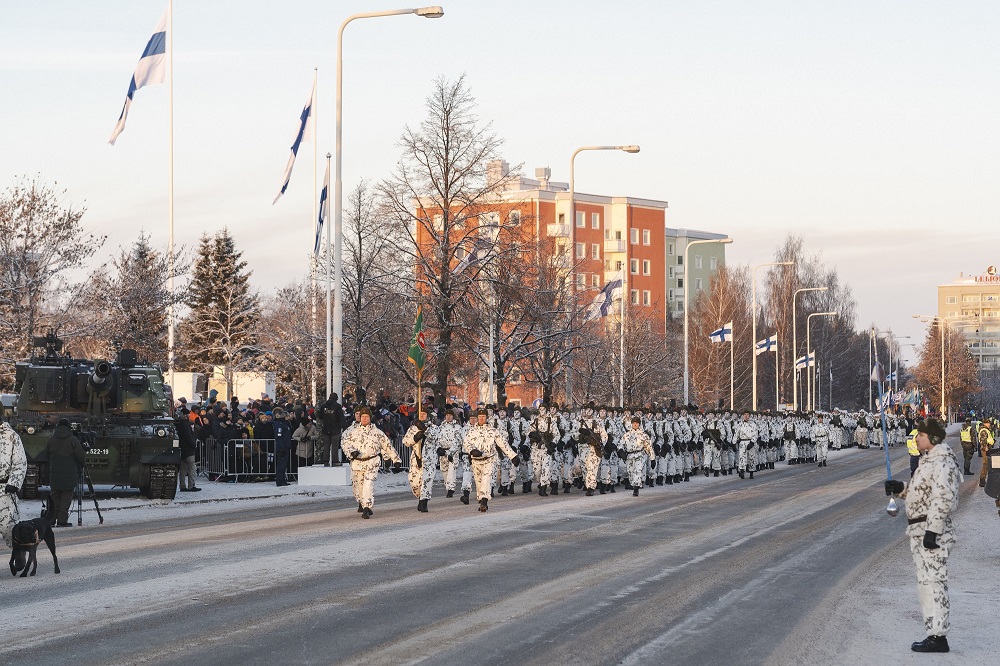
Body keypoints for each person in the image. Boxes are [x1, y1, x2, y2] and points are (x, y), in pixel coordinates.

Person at [884, 417, 961, 653]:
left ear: (933, 439)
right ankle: (934, 633)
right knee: (926, 584)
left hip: (931, 533)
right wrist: (901, 490)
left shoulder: (942, 462)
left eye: (921, 435)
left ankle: (939, 636)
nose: (916, 438)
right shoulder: (927, 461)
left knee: (934, 584)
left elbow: (943, 498)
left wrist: (932, 531)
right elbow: (923, 495)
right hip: (920, 530)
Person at [341, 406, 403, 518]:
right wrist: (351, 452)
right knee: (359, 487)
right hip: (358, 462)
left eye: (366, 417)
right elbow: (345, 443)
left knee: (368, 484)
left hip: (372, 461)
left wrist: (395, 459)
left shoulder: (377, 432)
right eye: (362, 416)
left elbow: (387, 445)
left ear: (370, 418)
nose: (364, 418)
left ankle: (367, 507)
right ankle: (362, 502)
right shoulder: (352, 431)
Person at [462, 408, 519, 512]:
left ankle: (484, 501)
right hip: (476, 461)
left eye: (483, 417)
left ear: (487, 418)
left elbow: (503, 443)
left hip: (488, 459)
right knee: (479, 483)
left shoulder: (493, 431)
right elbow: (466, 443)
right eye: (479, 417)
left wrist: (513, 456)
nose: (481, 419)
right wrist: (472, 450)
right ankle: (481, 498)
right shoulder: (472, 431)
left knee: (486, 480)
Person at [45, 418, 86, 527]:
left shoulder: (51, 440)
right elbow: (80, 457)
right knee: (66, 499)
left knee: (54, 498)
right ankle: (62, 520)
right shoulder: (73, 440)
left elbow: (46, 456)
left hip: (55, 474)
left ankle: (51, 520)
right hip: (69, 475)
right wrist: (81, 464)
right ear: (68, 427)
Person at [1, 409, 28, 548]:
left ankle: (18, 552)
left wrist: (14, 483)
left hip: (5, 489)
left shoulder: (11, 436)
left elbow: (20, 463)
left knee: (8, 526)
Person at [402, 410, 433, 512]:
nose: (422, 415)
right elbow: (405, 441)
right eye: (421, 414)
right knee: (414, 482)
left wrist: (425, 430)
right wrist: (414, 438)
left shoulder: (433, 428)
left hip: (429, 459)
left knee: (426, 481)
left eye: (424, 413)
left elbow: (436, 438)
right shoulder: (413, 428)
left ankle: (424, 502)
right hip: (416, 458)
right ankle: (420, 496)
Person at [176, 406, 201, 492]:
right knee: (192, 467)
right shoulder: (185, 424)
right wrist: (194, 445)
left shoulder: (178, 423)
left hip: (182, 448)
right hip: (188, 449)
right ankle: (191, 485)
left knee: (183, 468)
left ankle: (182, 485)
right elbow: (188, 436)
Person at [273, 408, 293, 487]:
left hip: (286, 447)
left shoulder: (285, 424)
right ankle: (279, 481)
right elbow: (279, 436)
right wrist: (282, 447)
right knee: (281, 465)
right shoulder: (279, 424)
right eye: (288, 416)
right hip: (282, 448)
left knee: (284, 465)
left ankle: (283, 480)